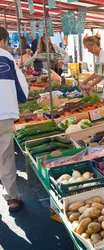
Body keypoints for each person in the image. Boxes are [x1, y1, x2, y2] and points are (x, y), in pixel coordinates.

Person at [0, 27, 28, 212]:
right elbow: (22, 88)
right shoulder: (7, 57)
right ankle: (12, 199)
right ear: (3, 40)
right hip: (4, 113)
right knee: (6, 157)